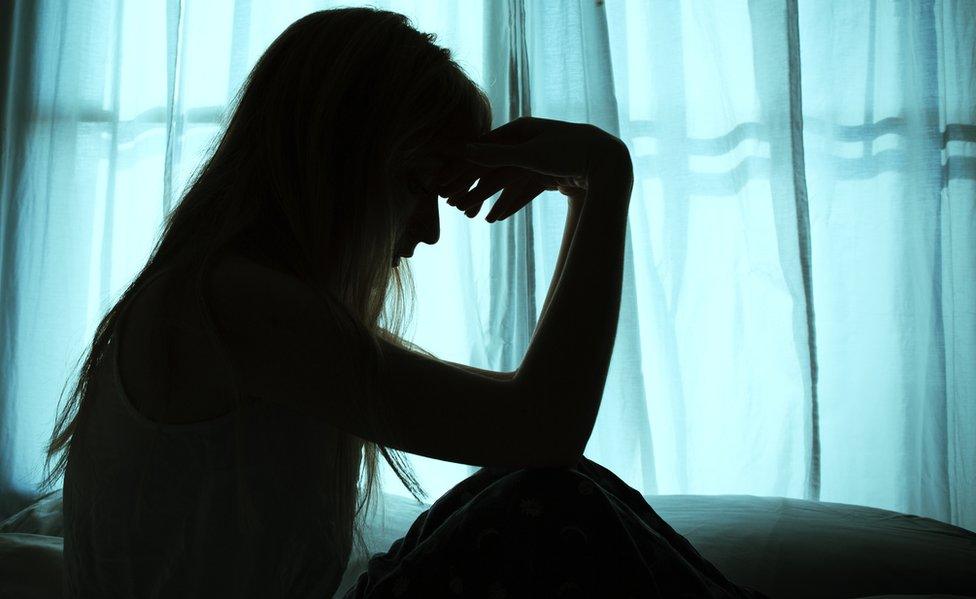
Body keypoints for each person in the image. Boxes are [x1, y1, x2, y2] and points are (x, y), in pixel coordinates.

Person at [41, 7, 772, 599]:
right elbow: (544, 424)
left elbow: (536, 437)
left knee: (548, 488)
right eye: (417, 184)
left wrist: (588, 190)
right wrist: (601, 179)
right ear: (341, 162)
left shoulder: (226, 296)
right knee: (547, 504)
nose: (425, 229)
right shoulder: (230, 305)